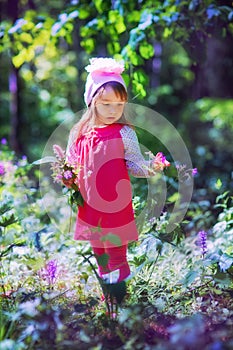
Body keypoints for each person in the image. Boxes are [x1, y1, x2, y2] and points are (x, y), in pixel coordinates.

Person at [64, 57, 169, 297]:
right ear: (92, 101)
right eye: (106, 104)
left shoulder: (124, 133)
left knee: (117, 255)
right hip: (90, 205)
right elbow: (71, 164)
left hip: (115, 206)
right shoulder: (79, 133)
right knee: (100, 254)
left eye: (119, 105)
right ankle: (107, 298)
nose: (113, 110)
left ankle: (120, 301)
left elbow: (134, 164)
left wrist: (152, 167)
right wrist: (67, 176)